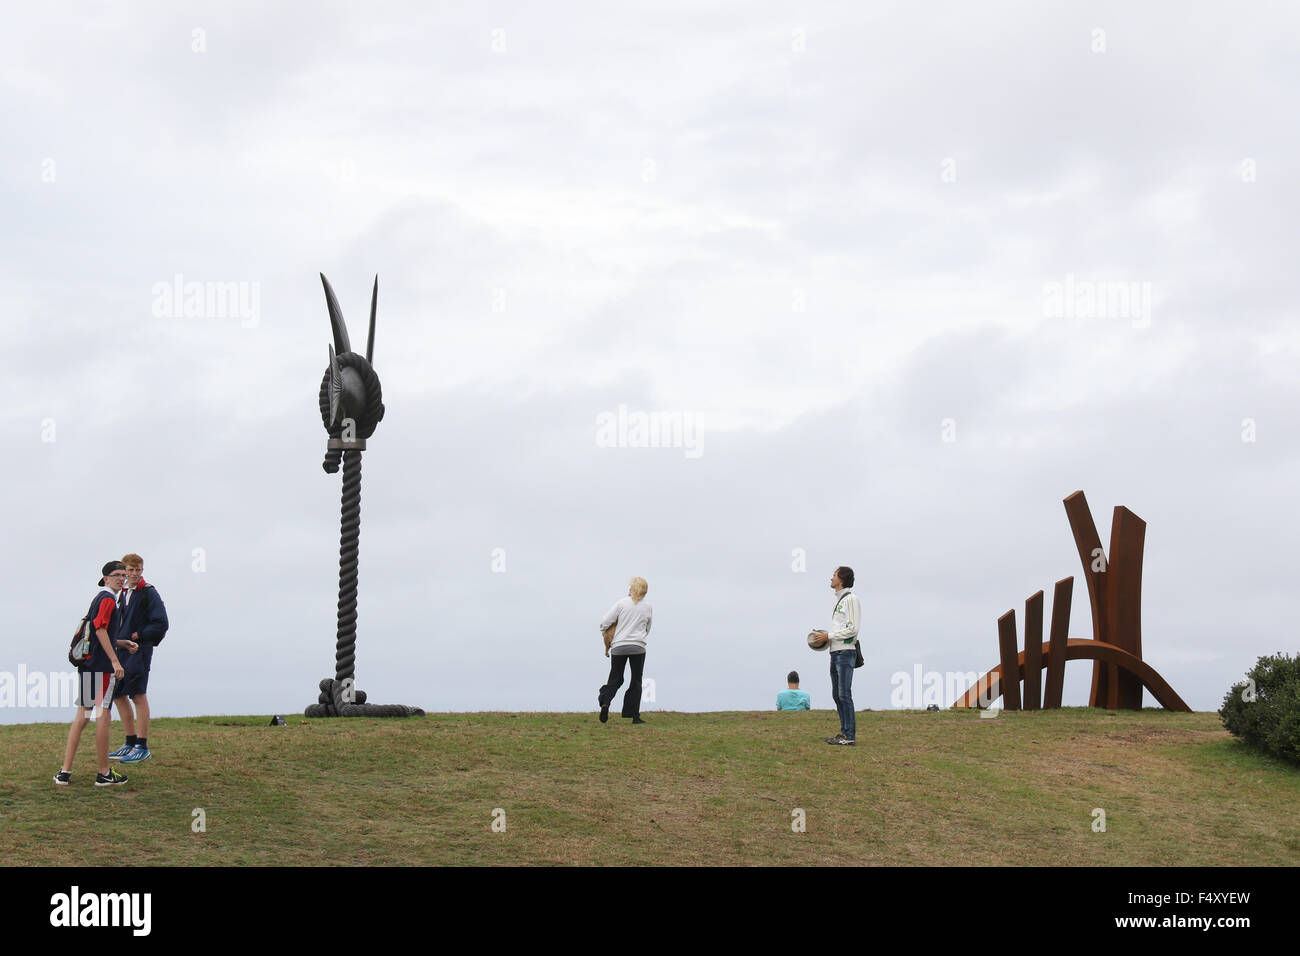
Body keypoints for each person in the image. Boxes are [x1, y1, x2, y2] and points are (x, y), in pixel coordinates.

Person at [55, 561, 139, 786]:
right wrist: (114, 661)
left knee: (82, 715)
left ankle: (65, 772)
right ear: (105, 578)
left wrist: (122, 644)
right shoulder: (108, 599)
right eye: (117, 575)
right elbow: (100, 628)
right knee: (103, 716)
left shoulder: (100, 598)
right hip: (101, 670)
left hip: (88, 667)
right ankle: (104, 773)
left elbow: (99, 633)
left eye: (124, 575)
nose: (122, 579)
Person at [108, 553, 169, 764]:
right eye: (131, 570)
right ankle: (130, 742)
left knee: (138, 694)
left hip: (139, 651)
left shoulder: (148, 592)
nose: (134, 574)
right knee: (117, 694)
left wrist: (139, 635)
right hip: (121, 651)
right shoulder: (123, 593)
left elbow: (161, 623)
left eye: (138, 570)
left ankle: (142, 746)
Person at [810, 566, 861, 746]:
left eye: (834, 575)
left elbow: (853, 629)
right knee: (837, 694)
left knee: (844, 694)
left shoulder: (851, 599)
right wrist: (824, 636)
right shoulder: (841, 601)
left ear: (841, 579)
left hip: (845, 652)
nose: (831, 578)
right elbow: (843, 628)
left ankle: (850, 735)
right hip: (836, 652)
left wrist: (829, 636)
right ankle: (844, 732)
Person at [596, 577, 653, 724]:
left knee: (616, 678)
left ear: (633, 589)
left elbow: (604, 622)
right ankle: (634, 716)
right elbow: (648, 628)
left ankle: (605, 702)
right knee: (636, 680)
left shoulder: (621, 603)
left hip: (619, 646)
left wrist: (606, 632)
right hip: (638, 647)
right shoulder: (647, 607)